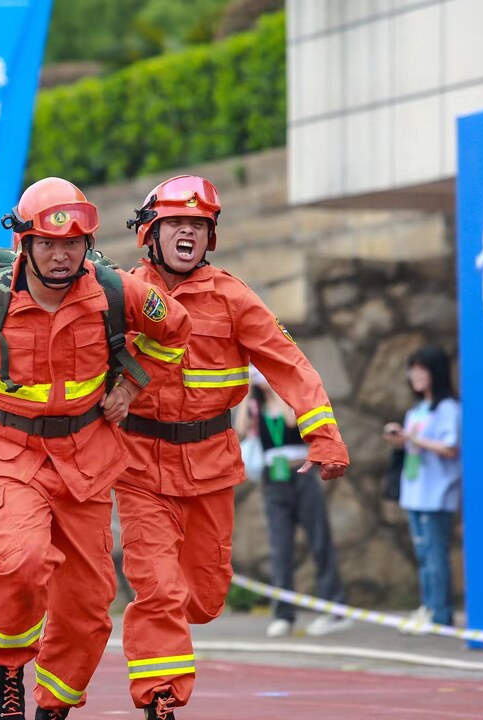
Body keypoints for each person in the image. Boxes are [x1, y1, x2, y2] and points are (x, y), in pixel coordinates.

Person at [0, 177, 191, 720]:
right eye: (48, 243)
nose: (61, 256)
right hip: (9, 453)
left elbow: (174, 331)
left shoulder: (118, 292)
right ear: (25, 244)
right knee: (23, 562)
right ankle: (9, 672)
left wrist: (131, 382)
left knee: (89, 608)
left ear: (87, 244)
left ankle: (54, 709)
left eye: (71, 244)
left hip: (87, 457)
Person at [117, 175, 350, 719]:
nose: (187, 234)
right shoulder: (121, 293)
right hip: (138, 466)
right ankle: (161, 702)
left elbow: (287, 364)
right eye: (177, 223)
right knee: (158, 589)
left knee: (203, 595)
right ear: (150, 231)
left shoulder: (232, 296)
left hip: (210, 466)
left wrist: (323, 435)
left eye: (198, 226)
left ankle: (167, 672)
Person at [237, 368, 351, 638]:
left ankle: (333, 608)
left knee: (319, 540)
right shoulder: (255, 405)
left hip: (301, 475)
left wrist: (275, 387)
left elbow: (292, 422)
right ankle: (283, 614)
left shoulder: (287, 398)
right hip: (273, 482)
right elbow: (241, 429)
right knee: (280, 549)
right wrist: (247, 392)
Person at [381, 345, 461, 633]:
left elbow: (451, 448)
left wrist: (413, 439)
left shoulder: (449, 408)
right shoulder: (416, 410)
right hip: (415, 490)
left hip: (437, 493)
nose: (414, 375)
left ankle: (440, 614)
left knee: (436, 553)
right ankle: (428, 607)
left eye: (421, 368)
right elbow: (414, 442)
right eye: (412, 368)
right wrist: (401, 438)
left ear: (435, 372)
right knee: (424, 554)